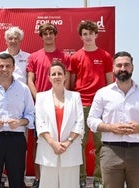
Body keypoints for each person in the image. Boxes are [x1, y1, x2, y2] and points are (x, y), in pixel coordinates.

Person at [0, 53, 35, 188]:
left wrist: (20, 122)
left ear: (14, 67)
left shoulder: (24, 89)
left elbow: (31, 115)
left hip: (16, 139)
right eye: (1, 66)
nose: (5, 69)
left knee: (16, 179)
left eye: (8, 66)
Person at [70, 20, 113, 188]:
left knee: (101, 144)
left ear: (96, 34)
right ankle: (80, 178)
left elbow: (110, 84)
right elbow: (72, 84)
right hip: (81, 105)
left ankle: (99, 179)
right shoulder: (75, 57)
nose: (88, 36)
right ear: (81, 36)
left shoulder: (105, 56)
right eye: (84, 34)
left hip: (101, 106)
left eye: (91, 33)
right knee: (78, 143)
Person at [26, 23, 70, 188]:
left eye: (51, 33)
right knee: (40, 142)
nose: (48, 36)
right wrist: (40, 99)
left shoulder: (65, 57)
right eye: (45, 33)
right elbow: (30, 80)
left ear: (55, 35)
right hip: (41, 106)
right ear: (42, 36)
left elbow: (68, 81)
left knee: (61, 140)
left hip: (61, 105)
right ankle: (39, 179)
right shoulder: (34, 57)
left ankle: (60, 178)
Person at [87, 51, 139, 188]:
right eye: (119, 65)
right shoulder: (103, 93)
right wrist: (111, 128)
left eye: (127, 65)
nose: (123, 68)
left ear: (132, 67)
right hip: (111, 151)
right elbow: (91, 120)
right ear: (113, 68)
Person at [35, 61, 84, 188]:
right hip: (48, 150)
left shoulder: (75, 97)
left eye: (60, 73)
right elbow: (40, 123)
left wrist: (67, 143)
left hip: (70, 150)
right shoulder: (41, 97)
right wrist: (53, 143)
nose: (57, 76)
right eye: (53, 74)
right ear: (49, 77)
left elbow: (79, 123)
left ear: (65, 76)